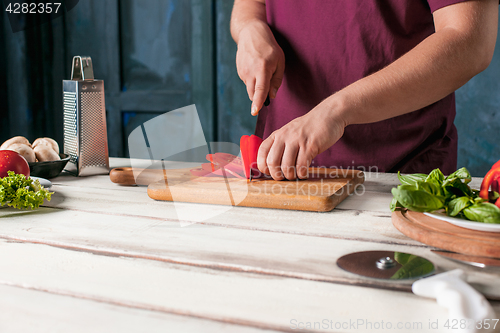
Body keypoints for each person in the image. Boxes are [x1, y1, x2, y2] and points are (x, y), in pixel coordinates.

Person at [230, 0, 498, 180]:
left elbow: (470, 41)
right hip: (277, 170)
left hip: (395, 180)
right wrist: (249, 28)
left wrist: (336, 111)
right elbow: (250, 5)